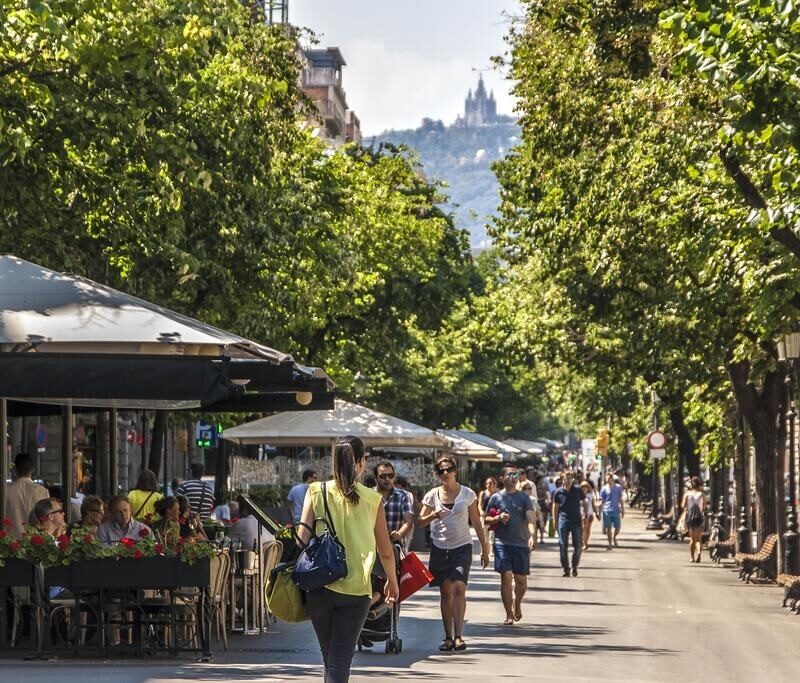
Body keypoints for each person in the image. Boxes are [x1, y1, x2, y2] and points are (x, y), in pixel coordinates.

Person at [296, 436, 398, 683]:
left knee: (329, 656)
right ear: (362, 462)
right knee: (341, 658)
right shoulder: (373, 500)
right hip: (356, 588)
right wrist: (392, 582)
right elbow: (385, 550)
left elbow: (301, 539)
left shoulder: (316, 491)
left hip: (319, 583)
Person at [418, 455, 489, 653]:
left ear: (455, 471)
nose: (446, 473)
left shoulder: (468, 494)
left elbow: (476, 522)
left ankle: (458, 636)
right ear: (437, 474)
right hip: (440, 547)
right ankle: (448, 637)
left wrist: (484, 548)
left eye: (449, 469)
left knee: (458, 587)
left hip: (462, 546)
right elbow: (419, 521)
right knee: (445, 591)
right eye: (441, 470)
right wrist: (432, 515)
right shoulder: (432, 495)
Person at [484, 467, 537, 625]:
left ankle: (517, 603)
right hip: (502, 543)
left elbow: (530, 520)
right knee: (506, 577)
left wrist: (532, 536)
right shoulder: (496, 497)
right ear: (502, 478)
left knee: (521, 582)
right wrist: (498, 518)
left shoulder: (524, 498)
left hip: (521, 543)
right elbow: (486, 520)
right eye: (510, 475)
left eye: (516, 475)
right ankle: (508, 614)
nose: (514, 477)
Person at [5, 452, 50, 538]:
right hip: (34, 541)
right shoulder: (42, 491)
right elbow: (46, 520)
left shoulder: (6, 491)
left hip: (10, 543)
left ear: (15, 470)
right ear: (33, 469)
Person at [373, 461, 414, 551]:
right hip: (373, 548)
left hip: (395, 548)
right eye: (383, 476)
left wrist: (398, 534)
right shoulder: (369, 496)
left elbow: (409, 521)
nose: (387, 479)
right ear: (376, 478)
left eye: (390, 476)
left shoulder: (403, 495)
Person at [552, 471, 585, 577]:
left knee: (578, 546)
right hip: (563, 521)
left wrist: (585, 515)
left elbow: (585, 502)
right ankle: (566, 568)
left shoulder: (578, 490)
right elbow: (555, 507)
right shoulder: (558, 492)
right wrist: (555, 521)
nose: (569, 480)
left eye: (571, 478)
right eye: (566, 478)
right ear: (562, 479)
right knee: (562, 545)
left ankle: (574, 566)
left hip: (576, 521)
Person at [683, 476, 706, 563]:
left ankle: (692, 557)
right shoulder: (702, 495)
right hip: (700, 518)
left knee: (693, 539)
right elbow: (704, 507)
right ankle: (699, 552)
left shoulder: (687, 494)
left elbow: (683, 505)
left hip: (691, 518)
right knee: (699, 539)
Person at [599, 472, 625, 549]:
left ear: (612, 479)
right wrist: (599, 511)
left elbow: (620, 499)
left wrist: (623, 509)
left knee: (618, 527)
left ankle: (614, 537)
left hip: (616, 510)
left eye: (609, 479)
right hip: (607, 510)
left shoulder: (618, 487)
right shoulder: (604, 488)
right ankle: (610, 544)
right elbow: (602, 500)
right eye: (606, 479)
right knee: (609, 528)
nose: (608, 480)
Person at [580, 480, 597, 551]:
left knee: (588, 529)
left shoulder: (591, 495)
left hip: (590, 513)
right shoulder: (578, 495)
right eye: (583, 487)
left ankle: (585, 542)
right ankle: (584, 543)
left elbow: (593, 505)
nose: (584, 488)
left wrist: (596, 513)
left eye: (586, 487)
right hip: (581, 514)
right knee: (583, 529)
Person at [534, 473, 551, 544]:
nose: (542, 481)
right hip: (535, 505)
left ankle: (541, 538)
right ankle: (535, 538)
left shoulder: (544, 487)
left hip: (543, 505)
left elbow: (546, 496)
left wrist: (546, 499)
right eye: (541, 479)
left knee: (542, 522)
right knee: (535, 522)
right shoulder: (534, 486)